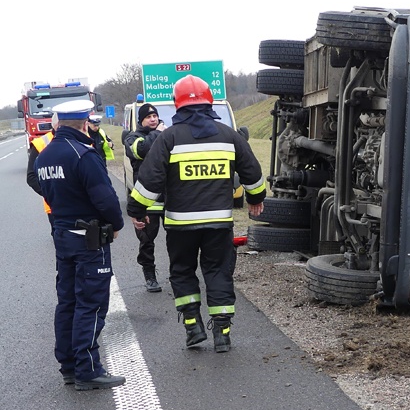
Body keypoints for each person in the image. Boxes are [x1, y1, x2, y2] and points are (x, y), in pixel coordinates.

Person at [127, 75, 266, 352]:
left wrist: (137, 210)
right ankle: (223, 334)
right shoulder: (229, 136)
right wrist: (256, 197)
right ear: (210, 102)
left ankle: (193, 327)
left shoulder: (168, 138)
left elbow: (150, 179)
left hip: (180, 225)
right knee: (218, 272)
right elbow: (253, 172)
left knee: (182, 272)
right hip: (219, 223)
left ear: (178, 105)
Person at [34, 99, 126, 390]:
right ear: (85, 123)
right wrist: (117, 225)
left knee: (68, 302)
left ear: (59, 124)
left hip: (62, 233)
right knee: (91, 303)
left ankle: (69, 366)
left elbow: (47, 192)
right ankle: (88, 369)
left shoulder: (44, 156)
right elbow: (105, 198)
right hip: (89, 238)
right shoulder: (83, 155)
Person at [123, 103, 166, 292]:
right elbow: (142, 150)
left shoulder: (167, 134)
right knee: (147, 240)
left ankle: (179, 274)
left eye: (155, 116)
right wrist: (160, 134)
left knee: (178, 241)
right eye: (149, 117)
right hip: (146, 201)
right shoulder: (133, 138)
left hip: (170, 199)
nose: (153, 119)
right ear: (141, 120)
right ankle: (150, 276)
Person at [26, 113, 58, 228]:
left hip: (82, 205)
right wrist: (50, 195)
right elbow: (31, 177)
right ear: (57, 125)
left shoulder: (85, 138)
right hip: (55, 206)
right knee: (63, 241)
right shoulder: (41, 143)